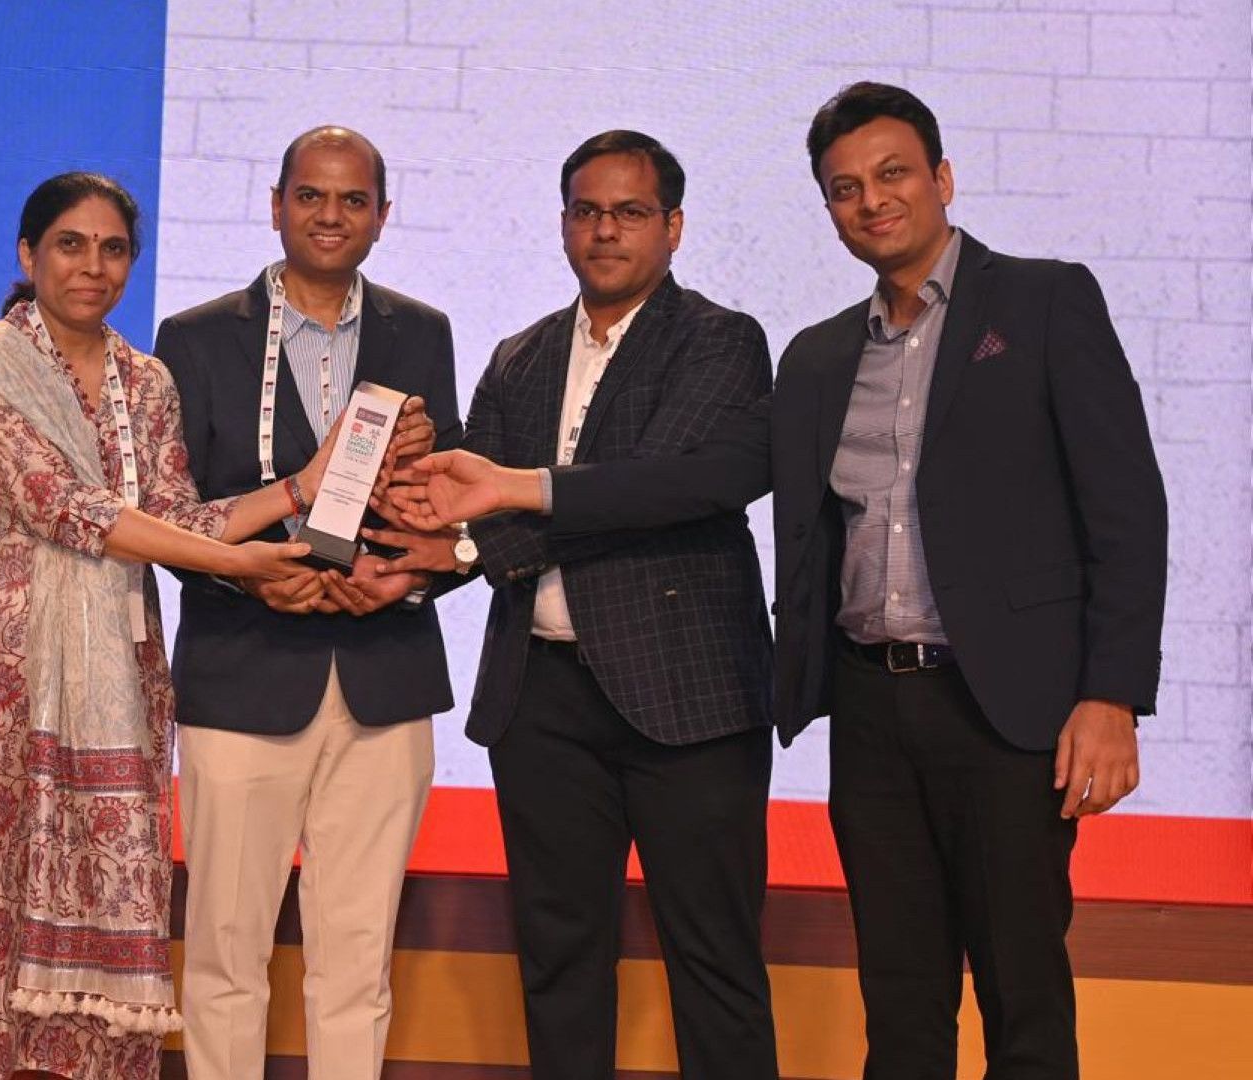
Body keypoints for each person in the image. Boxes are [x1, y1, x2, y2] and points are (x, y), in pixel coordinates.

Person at [395, 83, 1167, 1080]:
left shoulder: (1036, 301)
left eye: (892, 176)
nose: (872, 202)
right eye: (845, 188)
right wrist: (443, 539)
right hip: (866, 705)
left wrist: (1110, 692)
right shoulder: (819, 356)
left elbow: (1123, 507)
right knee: (899, 994)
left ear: (942, 178)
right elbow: (496, 519)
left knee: (1020, 986)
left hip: (1000, 708)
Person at [0, 171, 428, 1080]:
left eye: (112, 249)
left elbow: (181, 515)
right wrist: (242, 567)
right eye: (70, 244)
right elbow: (62, 505)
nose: (91, 266)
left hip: (116, 685)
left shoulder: (148, 380)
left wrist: (306, 486)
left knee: (113, 911)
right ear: (28, 255)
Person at [370, 129, 779, 1079]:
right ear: (563, 225)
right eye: (588, 211)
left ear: (673, 227)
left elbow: (666, 487)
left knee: (713, 961)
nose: (606, 231)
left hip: (690, 702)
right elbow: (482, 511)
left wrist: (503, 499)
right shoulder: (522, 354)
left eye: (630, 212)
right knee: (559, 964)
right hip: (542, 703)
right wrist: (443, 548)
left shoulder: (722, 340)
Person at [150, 125, 463, 1080]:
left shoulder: (425, 330)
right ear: (277, 201)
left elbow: (443, 496)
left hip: (385, 676)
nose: (332, 216)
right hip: (243, 675)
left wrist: (412, 575)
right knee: (224, 957)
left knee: (357, 961)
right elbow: (173, 515)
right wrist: (257, 574)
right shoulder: (197, 337)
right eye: (312, 196)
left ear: (382, 215)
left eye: (353, 200)